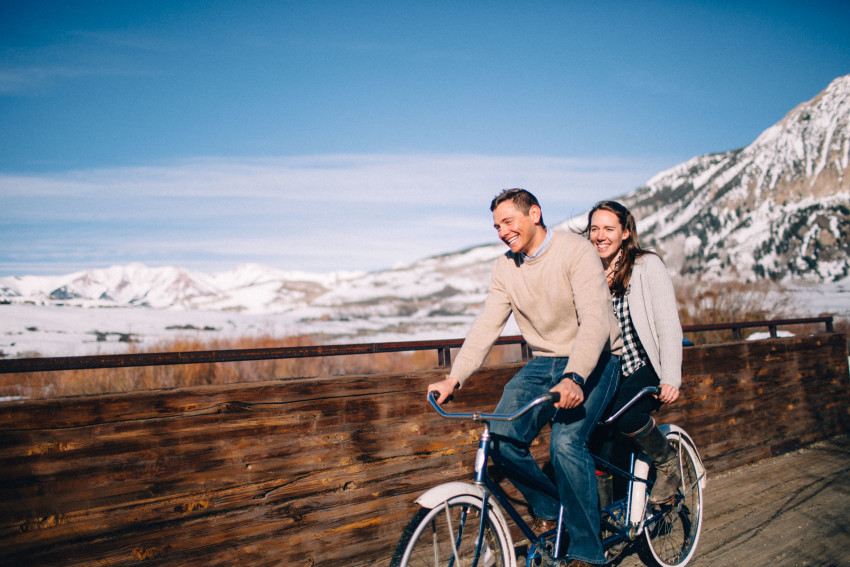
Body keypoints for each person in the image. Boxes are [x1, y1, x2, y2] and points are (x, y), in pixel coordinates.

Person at [428, 189, 623, 567]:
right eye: (496, 226)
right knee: (500, 437)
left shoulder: (575, 252)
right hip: (545, 361)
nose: (502, 231)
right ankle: (551, 509)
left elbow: (596, 321)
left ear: (534, 213)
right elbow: (488, 325)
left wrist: (576, 378)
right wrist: (454, 379)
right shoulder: (506, 267)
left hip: (595, 358)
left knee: (566, 444)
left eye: (508, 221)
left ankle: (587, 550)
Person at [584, 200, 683, 505]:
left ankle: (667, 465)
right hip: (609, 371)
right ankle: (605, 519)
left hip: (646, 365)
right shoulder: (587, 273)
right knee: (591, 432)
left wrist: (671, 377)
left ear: (625, 233)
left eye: (609, 229)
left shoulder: (646, 265)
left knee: (624, 415)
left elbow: (668, 323)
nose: (601, 235)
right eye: (595, 228)